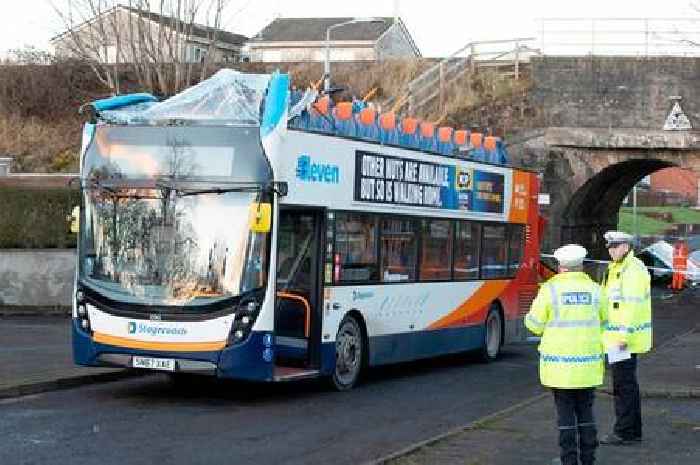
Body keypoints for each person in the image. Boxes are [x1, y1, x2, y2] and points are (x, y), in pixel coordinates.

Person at [525, 244, 608, 465]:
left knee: (565, 415)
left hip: (559, 368)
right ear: (581, 267)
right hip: (589, 366)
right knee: (586, 412)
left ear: (561, 267)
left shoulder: (550, 290)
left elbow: (534, 325)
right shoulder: (596, 290)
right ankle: (589, 458)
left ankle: (568, 459)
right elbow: (607, 322)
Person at [599, 230, 652, 446]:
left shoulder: (631, 270)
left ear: (626, 247)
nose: (611, 251)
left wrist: (622, 336)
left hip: (624, 340)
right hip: (616, 339)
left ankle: (625, 432)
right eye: (610, 247)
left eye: (616, 246)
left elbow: (630, 307)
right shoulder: (617, 268)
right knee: (624, 384)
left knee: (623, 386)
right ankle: (631, 430)